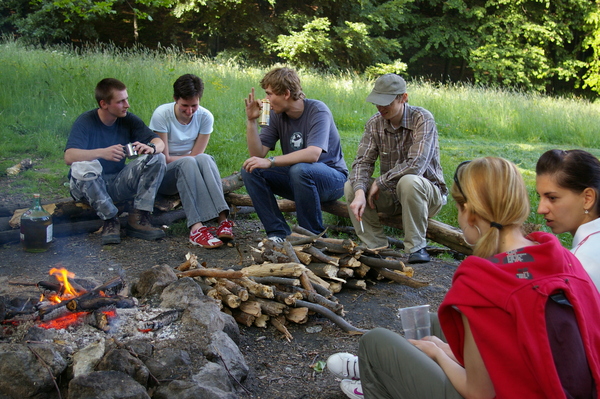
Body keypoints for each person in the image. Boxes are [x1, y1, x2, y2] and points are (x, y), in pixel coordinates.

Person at [327, 157, 600, 399]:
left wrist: (438, 354)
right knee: (435, 325)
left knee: (376, 342)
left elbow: (480, 392)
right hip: (558, 386)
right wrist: (445, 349)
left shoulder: (479, 280)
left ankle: (379, 378)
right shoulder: (559, 256)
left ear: (469, 212)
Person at [345, 74, 447, 264]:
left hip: (426, 194)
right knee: (351, 186)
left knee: (409, 181)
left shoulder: (422, 119)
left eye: (386, 102)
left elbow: (416, 164)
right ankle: (375, 246)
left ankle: (416, 248)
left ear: (404, 98)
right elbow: (362, 163)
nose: (380, 107)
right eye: (377, 101)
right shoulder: (374, 124)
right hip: (392, 196)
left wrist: (380, 181)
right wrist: (359, 191)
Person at [241, 67, 348, 241]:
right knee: (250, 169)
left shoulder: (317, 110)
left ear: (286, 93)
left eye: (269, 94)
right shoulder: (277, 115)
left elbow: (313, 154)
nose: (265, 99)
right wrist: (251, 121)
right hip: (298, 178)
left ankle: (312, 235)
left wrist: (271, 161)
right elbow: (257, 155)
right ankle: (278, 233)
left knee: (300, 169)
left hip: (333, 180)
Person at [65, 78, 167, 245]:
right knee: (84, 166)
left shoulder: (128, 119)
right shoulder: (86, 121)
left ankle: (140, 217)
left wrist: (150, 147)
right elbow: (69, 157)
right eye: (121, 101)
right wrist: (102, 153)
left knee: (157, 157)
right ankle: (110, 220)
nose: (127, 105)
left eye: (126, 99)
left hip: (116, 182)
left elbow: (159, 142)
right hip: (86, 187)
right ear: (104, 104)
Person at [149, 74, 233, 249]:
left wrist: (192, 160)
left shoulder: (205, 117)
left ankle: (223, 220)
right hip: (164, 175)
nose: (189, 111)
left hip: (191, 170)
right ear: (175, 100)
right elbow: (163, 159)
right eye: (184, 106)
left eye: (194, 106)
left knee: (205, 158)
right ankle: (196, 228)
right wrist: (189, 159)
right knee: (189, 162)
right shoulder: (162, 115)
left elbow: (198, 154)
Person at [536, 149, 600, 290]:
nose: (541, 209)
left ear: (587, 198)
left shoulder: (578, 264)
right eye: (539, 197)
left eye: (552, 198)